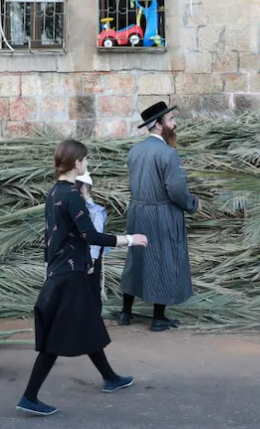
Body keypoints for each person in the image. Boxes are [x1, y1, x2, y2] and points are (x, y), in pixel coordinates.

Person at [17, 140, 148, 417]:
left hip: (62, 272)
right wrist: (129, 239)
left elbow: (50, 238)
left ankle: (110, 378)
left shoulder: (54, 192)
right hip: (70, 277)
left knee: (89, 325)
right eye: (85, 159)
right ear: (77, 163)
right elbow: (91, 236)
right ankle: (29, 396)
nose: (86, 163)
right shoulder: (72, 195)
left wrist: (50, 268)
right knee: (55, 341)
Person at [119, 102, 201, 332]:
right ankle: (158, 318)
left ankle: (126, 313)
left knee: (136, 260)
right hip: (161, 214)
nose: (175, 124)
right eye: (171, 120)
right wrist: (193, 204)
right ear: (158, 124)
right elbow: (176, 189)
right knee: (164, 260)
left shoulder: (134, 151)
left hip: (137, 213)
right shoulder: (167, 153)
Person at [75, 171, 110, 314]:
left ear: (83, 188)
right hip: (79, 257)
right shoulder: (76, 208)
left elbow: (96, 238)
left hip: (90, 259)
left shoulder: (96, 212)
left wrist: (93, 261)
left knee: (91, 291)